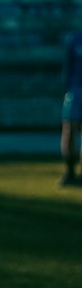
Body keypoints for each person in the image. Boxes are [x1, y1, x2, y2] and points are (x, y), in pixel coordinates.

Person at [59, 28, 82, 187]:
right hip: (76, 89)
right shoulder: (74, 38)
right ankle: (70, 171)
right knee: (70, 128)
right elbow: (68, 65)